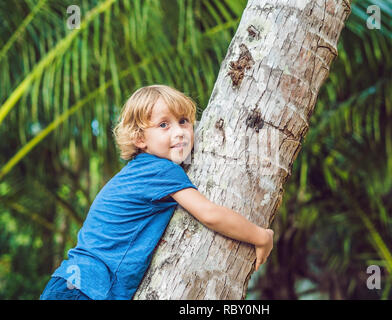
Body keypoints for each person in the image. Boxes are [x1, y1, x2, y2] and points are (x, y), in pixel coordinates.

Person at [40, 85, 274, 300]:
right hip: (86, 290)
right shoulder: (161, 170)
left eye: (184, 121)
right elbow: (209, 214)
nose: (179, 132)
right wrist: (260, 236)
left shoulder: (140, 171)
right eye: (164, 125)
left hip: (72, 283)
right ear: (140, 138)